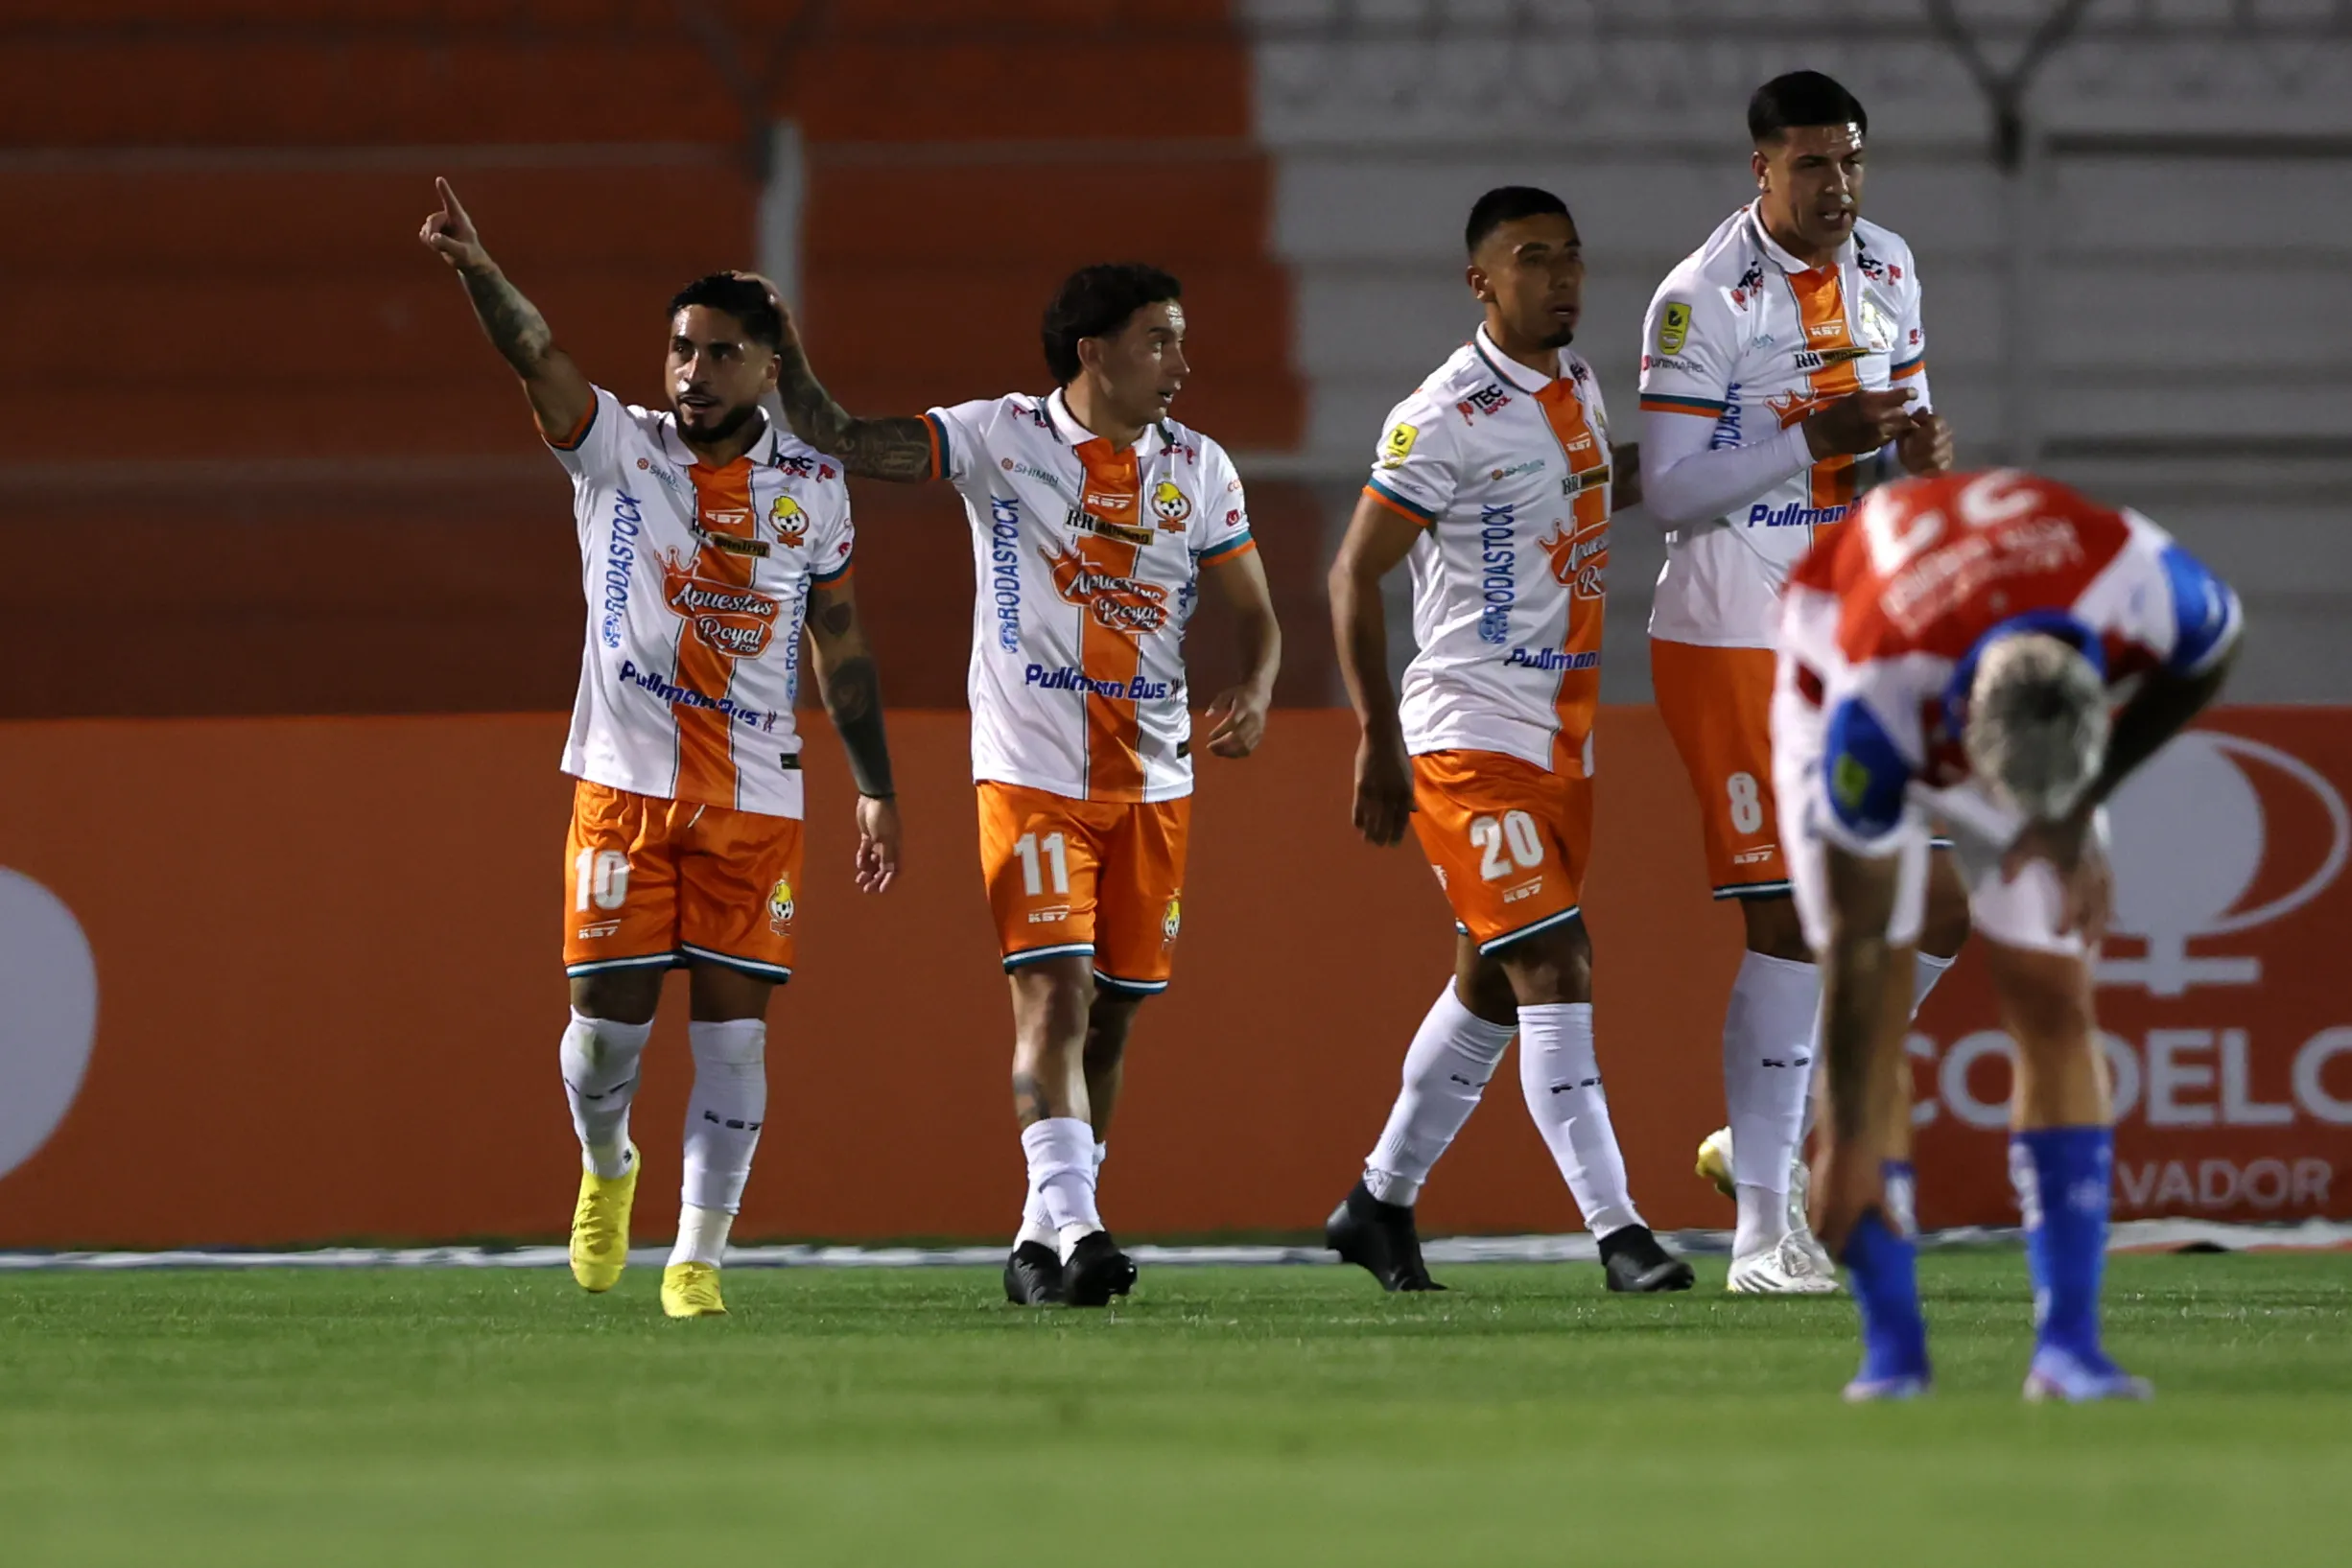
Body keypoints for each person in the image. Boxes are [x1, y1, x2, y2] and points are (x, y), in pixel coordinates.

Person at [419, 180, 902, 1319]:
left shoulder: (814, 489)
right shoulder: (616, 450)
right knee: (603, 1040)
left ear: (768, 368)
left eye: (722, 353)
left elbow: (838, 641)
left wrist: (875, 787)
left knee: (733, 1043)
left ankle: (697, 1258)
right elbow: (536, 356)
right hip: (621, 791)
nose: (694, 371)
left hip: (753, 801)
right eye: (683, 349)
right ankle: (607, 1168)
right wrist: (479, 271)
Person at [763, 265, 1282, 1307]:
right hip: (1030, 773)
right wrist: (783, 345)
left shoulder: (1200, 467)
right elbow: (846, 439)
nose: (1181, 364)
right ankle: (1084, 1231)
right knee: (1054, 991)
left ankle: (1040, 1238)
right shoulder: (999, 437)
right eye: (1159, 340)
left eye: (1180, 340)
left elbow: (1257, 614)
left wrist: (1259, 688)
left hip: (1154, 780)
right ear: (1093, 351)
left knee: (1113, 1019)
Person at [1777, 467, 2240, 1399]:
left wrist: (2081, 803)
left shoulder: (2139, 585)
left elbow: (2215, 650)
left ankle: (2069, 1349)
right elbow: (1862, 945)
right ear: (1962, 739)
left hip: (2004, 655)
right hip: (1838, 659)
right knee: (1874, 1005)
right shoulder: (1876, 702)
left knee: (2055, 996)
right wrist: (1847, 1137)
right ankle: (1892, 1355)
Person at [1323, 187, 1693, 1296]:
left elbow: (1589, 489)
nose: (1562, 277)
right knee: (1554, 960)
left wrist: (1757, 450)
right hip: (1465, 735)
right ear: (1480, 282)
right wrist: (1376, 739)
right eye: (1534, 259)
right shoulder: (1440, 416)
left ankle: (1377, 1202)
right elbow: (1352, 574)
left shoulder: (1574, 386)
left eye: (1571, 256)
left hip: (1559, 739)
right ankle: (1620, 1234)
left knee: (1489, 984)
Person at [1637, 71, 1970, 1293]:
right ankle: (1760, 1237)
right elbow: (1668, 490)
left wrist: (1921, 456)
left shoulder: (1889, 265)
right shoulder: (1700, 298)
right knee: (1788, 922)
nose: (1839, 186)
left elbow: (1906, 427)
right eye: (1813, 164)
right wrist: (1805, 440)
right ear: (1762, 170)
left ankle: (1759, 1143)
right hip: (1733, 632)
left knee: (1936, 908)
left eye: (1851, 161)